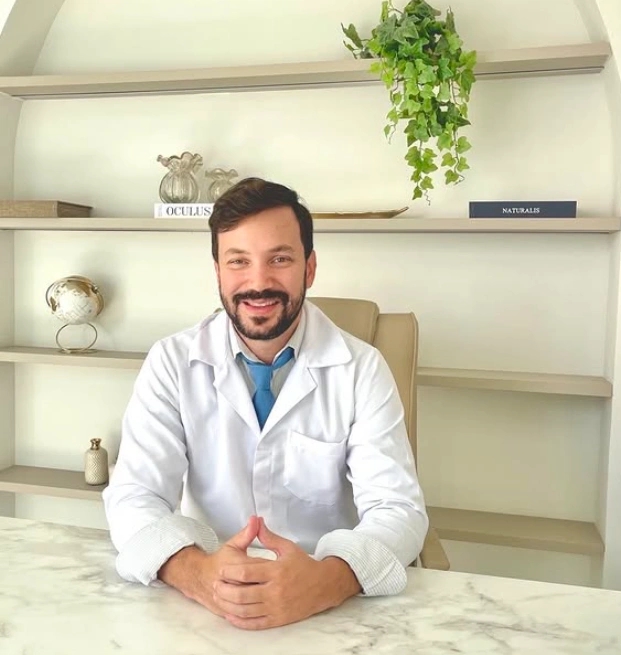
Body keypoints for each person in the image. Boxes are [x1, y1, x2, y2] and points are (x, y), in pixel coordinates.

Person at [103, 177, 429, 630]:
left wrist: (325, 582)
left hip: (328, 604)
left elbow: (398, 509)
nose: (258, 283)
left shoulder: (362, 368)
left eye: (280, 259)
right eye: (238, 261)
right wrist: (197, 574)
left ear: (309, 268)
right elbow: (134, 495)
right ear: (218, 272)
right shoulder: (172, 362)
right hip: (205, 603)